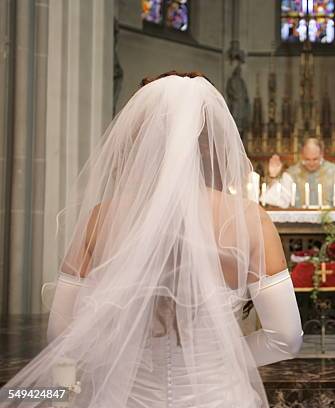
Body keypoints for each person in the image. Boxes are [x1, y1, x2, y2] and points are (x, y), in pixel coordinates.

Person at [0, 72, 303, 407]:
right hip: (216, 394)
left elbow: (62, 335)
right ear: (212, 143)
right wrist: (218, 359)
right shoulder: (248, 219)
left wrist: (124, 357)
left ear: (139, 141)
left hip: (127, 396)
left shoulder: (101, 219)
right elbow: (286, 339)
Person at [263, 138, 335, 208]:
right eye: (307, 159)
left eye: (315, 159)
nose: (311, 163)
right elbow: (279, 202)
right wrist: (273, 176)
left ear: (321, 154)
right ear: (302, 155)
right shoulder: (291, 174)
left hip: (330, 223)